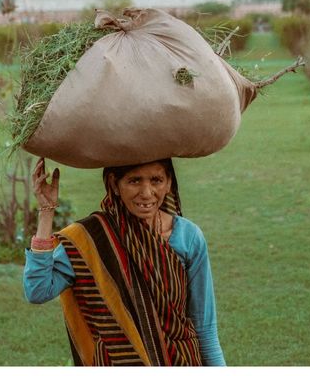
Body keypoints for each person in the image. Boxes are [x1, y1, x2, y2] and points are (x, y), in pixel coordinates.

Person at [23, 156, 226, 367]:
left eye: (156, 180)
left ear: (169, 184)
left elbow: (204, 327)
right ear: (114, 184)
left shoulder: (188, 236)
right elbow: (38, 290)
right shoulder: (92, 239)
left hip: (180, 362)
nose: (146, 193)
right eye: (134, 181)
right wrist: (46, 212)